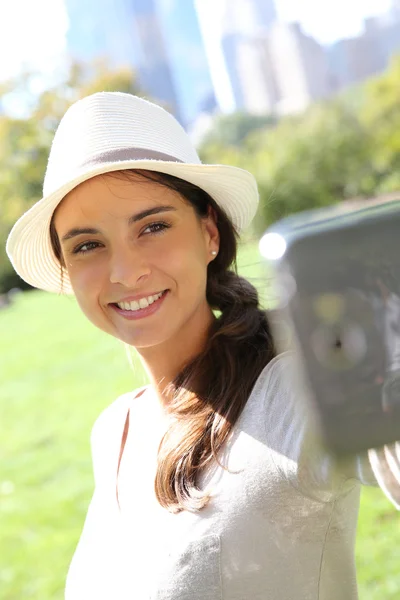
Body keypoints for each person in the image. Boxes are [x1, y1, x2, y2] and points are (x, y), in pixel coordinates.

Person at [6, 92, 400, 600]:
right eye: (87, 245)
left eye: (152, 227)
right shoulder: (111, 431)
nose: (125, 272)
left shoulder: (293, 388)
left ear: (209, 232)